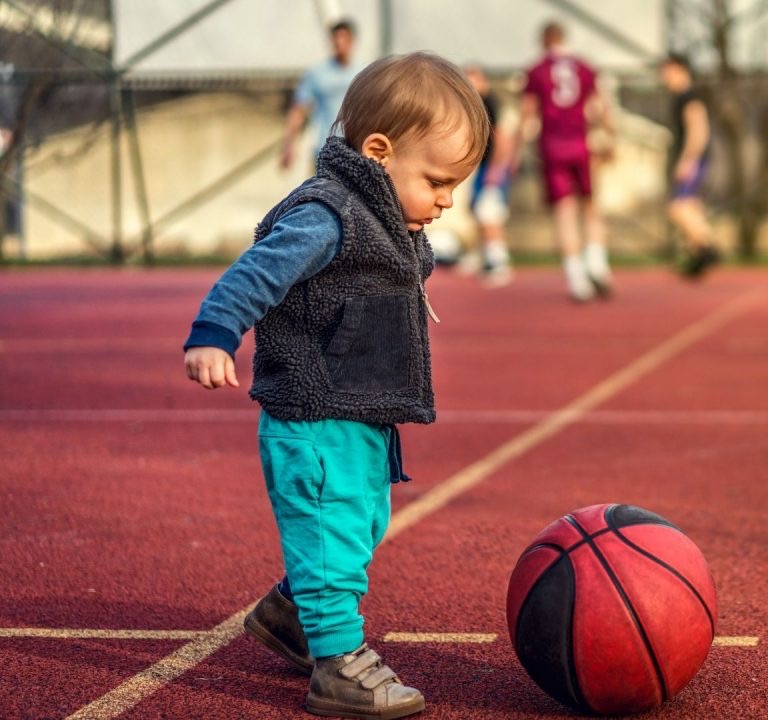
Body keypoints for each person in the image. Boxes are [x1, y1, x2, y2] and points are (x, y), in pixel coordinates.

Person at [182, 53, 489, 719]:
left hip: (359, 412)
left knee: (360, 525)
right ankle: (339, 666)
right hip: (314, 413)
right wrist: (215, 331)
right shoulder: (328, 216)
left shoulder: (388, 220)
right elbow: (257, 271)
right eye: (437, 180)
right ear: (378, 152)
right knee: (332, 532)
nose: (446, 199)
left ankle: (290, 617)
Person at [516, 21, 616, 302]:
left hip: (553, 145)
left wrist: (515, 152)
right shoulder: (584, 67)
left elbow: (527, 113)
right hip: (581, 143)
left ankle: (576, 277)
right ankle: (597, 262)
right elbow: (599, 106)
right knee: (591, 204)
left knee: (565, 210)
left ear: (543, 42)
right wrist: (610, 136)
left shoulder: (537, 71)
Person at [661, 53, 720, 278]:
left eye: (667, 70)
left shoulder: (689, 97)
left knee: (678, 208)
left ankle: (708, 249)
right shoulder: (680, 96)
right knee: (692, 207)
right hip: (692, 158)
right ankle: (699, 257)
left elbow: (699, 129)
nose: (663, 75)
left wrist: (688, 160)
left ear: (680, 69)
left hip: (694, 159)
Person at [460, 65, 515, 287]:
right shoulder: (474, 106)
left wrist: (496, 169)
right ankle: (483, 257)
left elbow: (502, 139)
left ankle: (499, 262)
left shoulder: (490, 103)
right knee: (477, 210)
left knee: (489, 212)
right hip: (482, 167)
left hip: (492, 168)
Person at [280, 19, 360, 170]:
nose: (339, 43)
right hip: (324, 150)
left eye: (343, 38)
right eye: (336, 39)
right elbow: (299, 109)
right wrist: (289, 145)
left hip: (355, 149)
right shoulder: (317, 73)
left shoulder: (363, 73)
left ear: (351, 41)